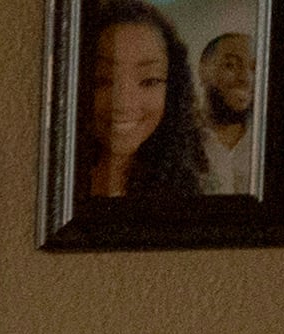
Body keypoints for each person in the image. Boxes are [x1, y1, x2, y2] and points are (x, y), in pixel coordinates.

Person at [77, 1, 219, 208]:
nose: (123, 103)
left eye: (149, 81)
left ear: (172, 93)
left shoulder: (193, 188)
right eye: (102, 80)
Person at [196, 24, 266, 196]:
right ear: (203, 71)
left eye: (254, 69)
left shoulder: (267, 141)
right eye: (231, 65)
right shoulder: (175, 140)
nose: (245, 78)